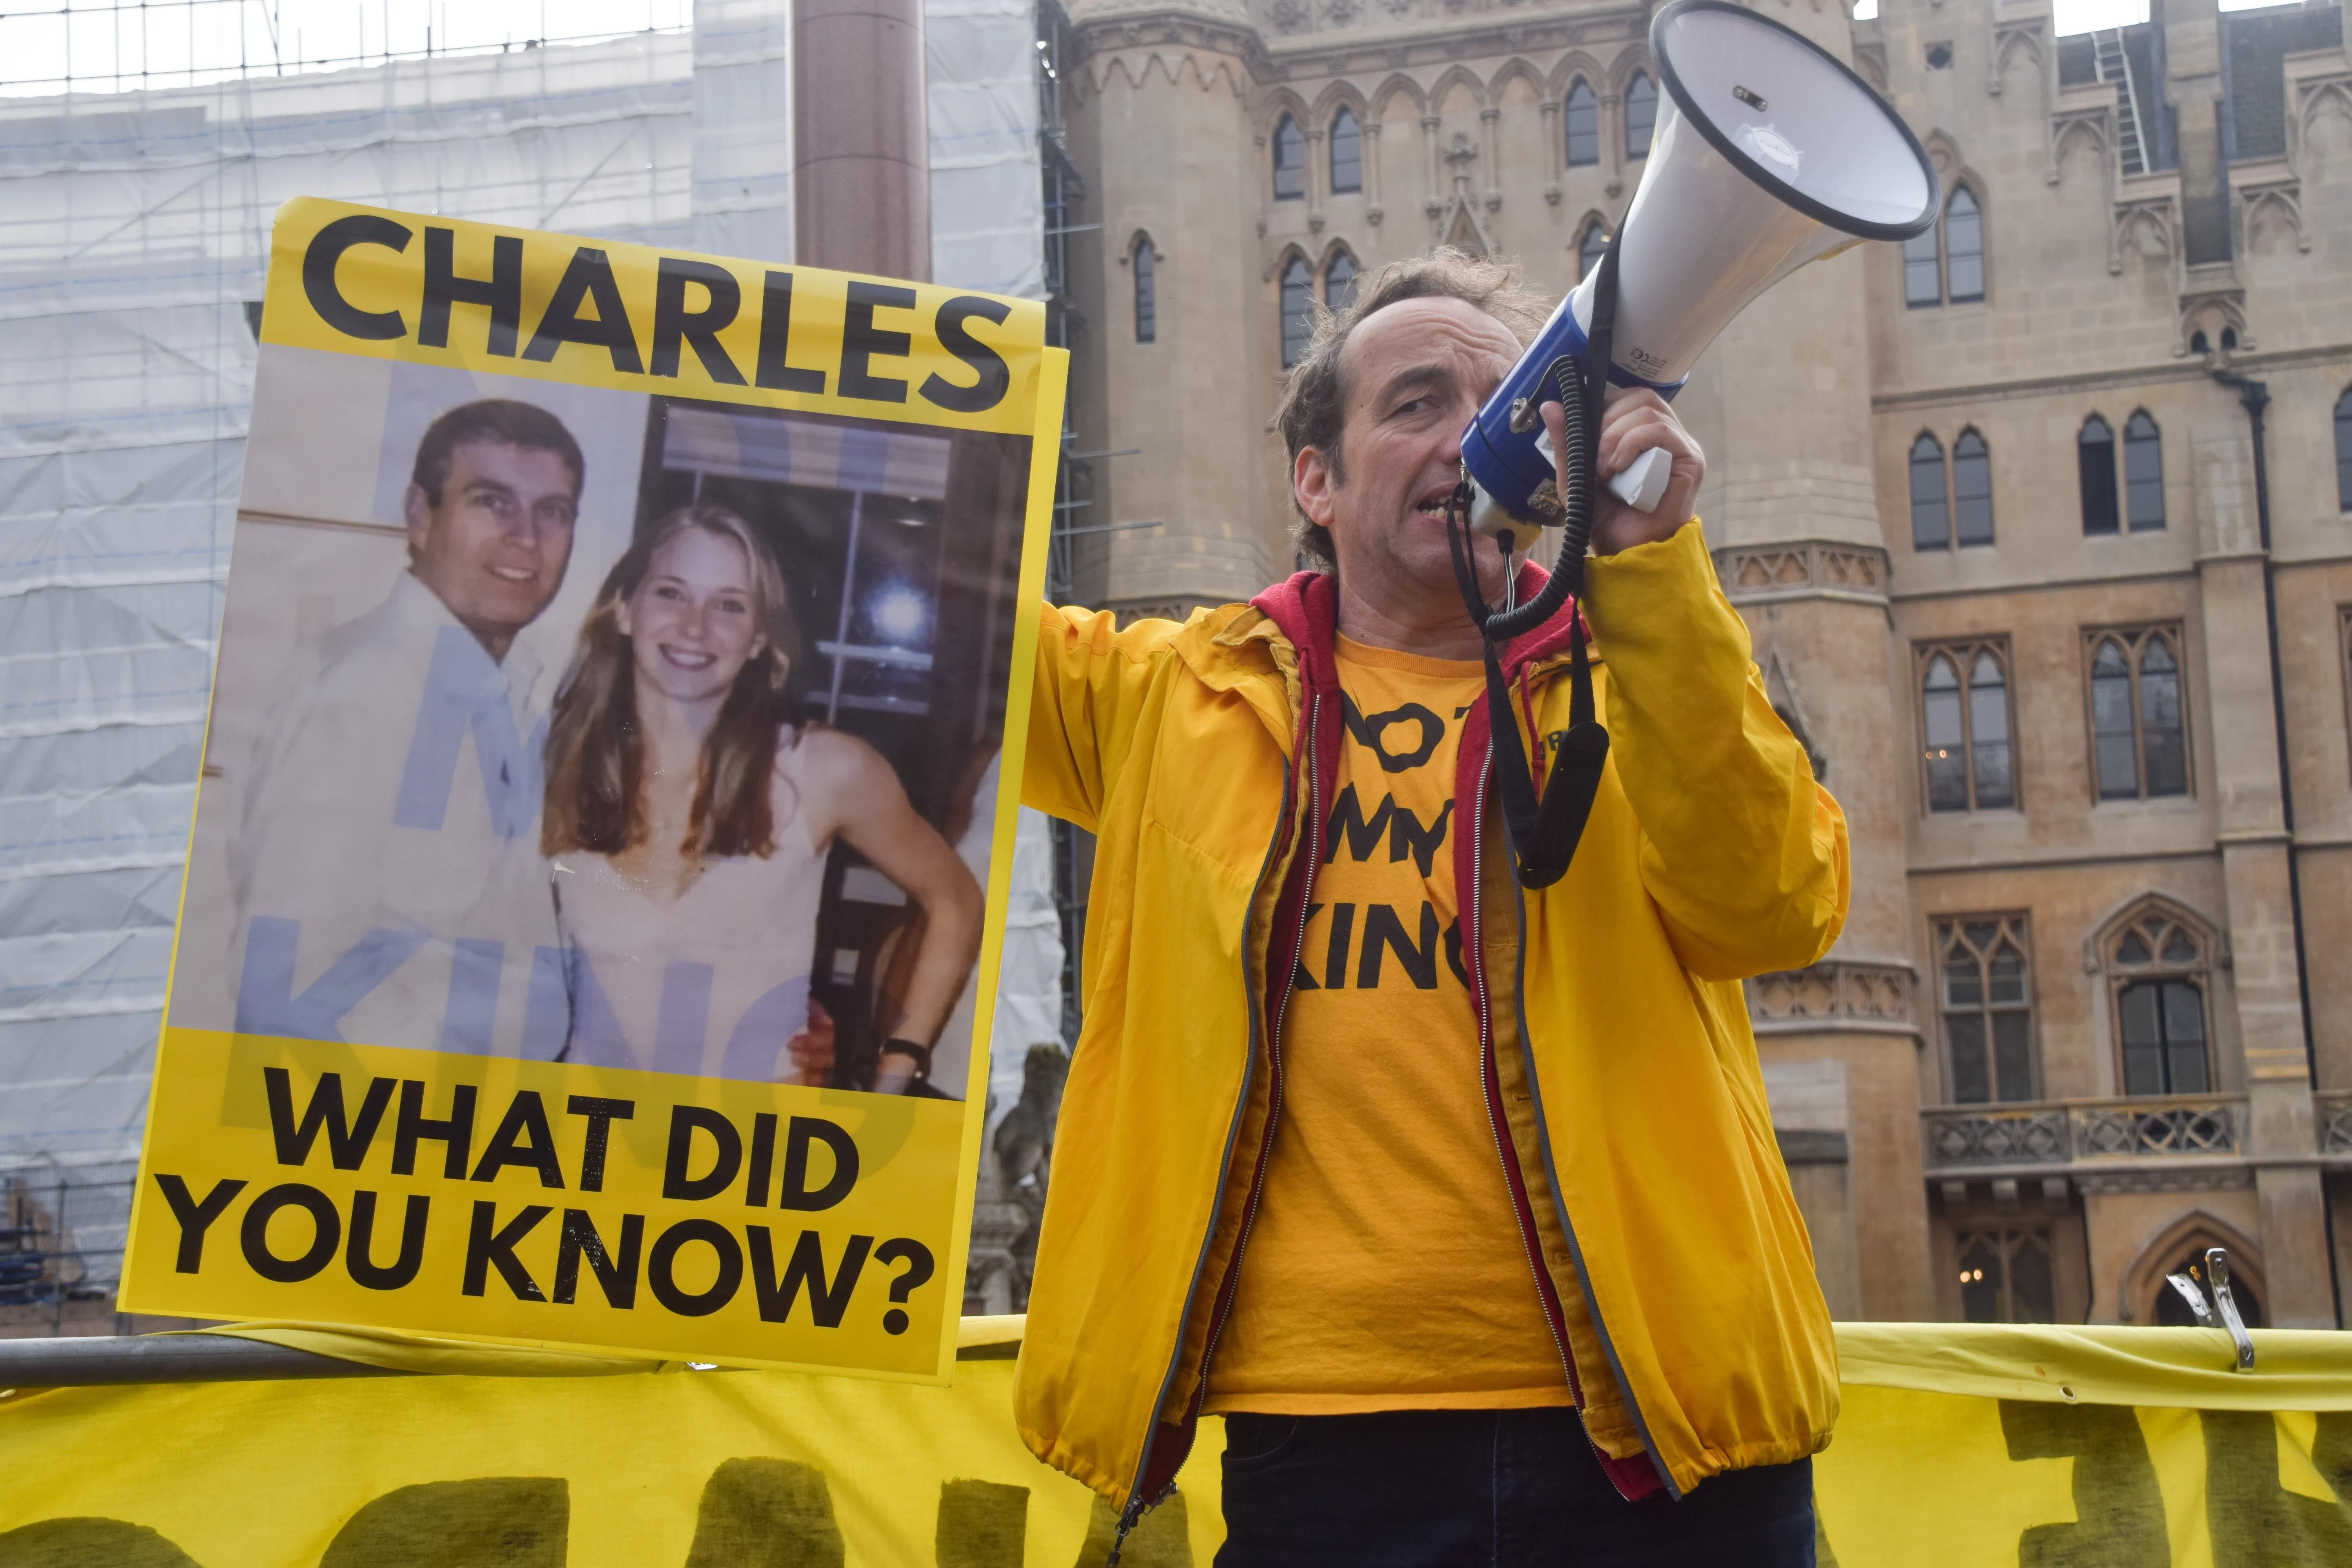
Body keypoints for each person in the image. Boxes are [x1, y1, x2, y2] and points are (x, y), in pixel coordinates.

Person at [1013, 250, 1850, 1565]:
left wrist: (1651, 571)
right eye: (1414, 404)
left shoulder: (1645, 667)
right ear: (1316, 481)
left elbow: (1777, 910)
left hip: (1671, 1442)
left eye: (1502, 403)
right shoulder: (1165, 699)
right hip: (1326, 1448)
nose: (1470, 435)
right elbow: (917, 619)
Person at [541, 503, 983, 1093]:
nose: (695, 627)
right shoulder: (552, 767)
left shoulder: (821, 770)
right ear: (624, 610)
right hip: (586, 1142)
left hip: (752, 1153)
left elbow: (956, 902)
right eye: (672, 593)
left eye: (729, 605)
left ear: (757, 639)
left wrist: (893, 1079)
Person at [228, 399, 586, 1058]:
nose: (526, 539)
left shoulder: (512, 692)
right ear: (420, 516)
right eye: (492, 502)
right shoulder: (366, 690)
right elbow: (283, 992)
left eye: (552, 512)